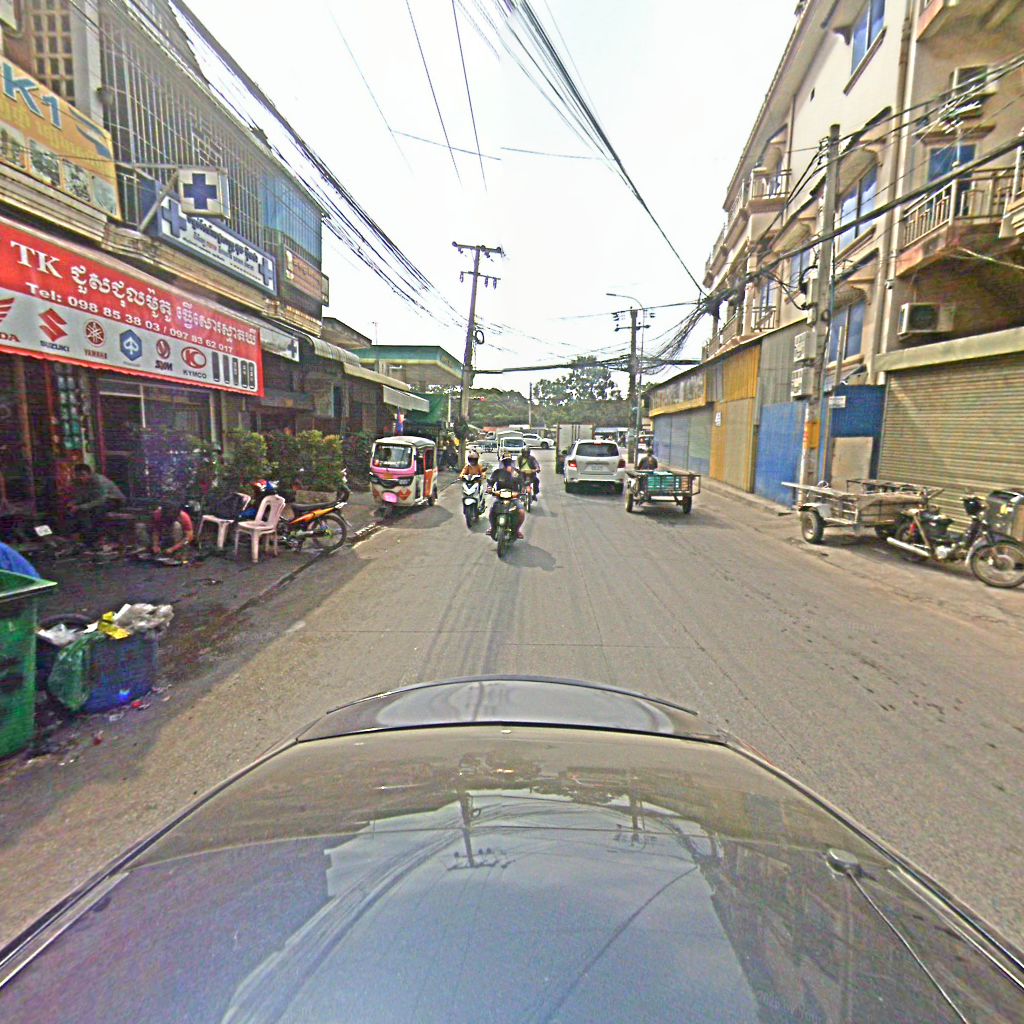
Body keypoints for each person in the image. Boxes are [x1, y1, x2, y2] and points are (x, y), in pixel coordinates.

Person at [69, 463, 126, 547]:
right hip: (96, 500)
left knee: (97, 510)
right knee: (79, 512)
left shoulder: (99, 481)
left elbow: (101, 500)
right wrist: (73, 503)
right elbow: (82, 497)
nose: (80, 477)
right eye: (77, 475)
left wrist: (80, 506)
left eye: (83, 475)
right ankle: (83, 538)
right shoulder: (78, 482)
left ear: (90, 474)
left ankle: (97, 539)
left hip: (113, 499)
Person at [487, 456, 526, 539]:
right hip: (500, 497)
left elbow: (522, 483)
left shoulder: (516, 473)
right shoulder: (497, 472)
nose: (507, 464)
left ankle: (517, 530)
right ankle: (492, 527)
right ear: (502, 463)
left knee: (521, 512)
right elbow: (491, 482)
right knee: (492, 511)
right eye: (505, 462)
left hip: (513, 497)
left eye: (508, 461)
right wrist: (489, 488)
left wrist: (523, 490)